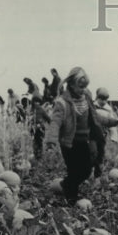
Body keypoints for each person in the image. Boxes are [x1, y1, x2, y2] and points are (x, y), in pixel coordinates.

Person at [46, 66, 106, 203]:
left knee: (85, 170)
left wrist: (112, 121)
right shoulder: (62, 102)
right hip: (68, 143)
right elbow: (55, 122)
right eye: (80, 86)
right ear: (71, 85)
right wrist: (51, 140)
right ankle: (71, 197)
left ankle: (65, 185)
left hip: (83, 141)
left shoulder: (87, 98)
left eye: (85, 86)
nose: (83, 89)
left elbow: (95, 117)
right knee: (74, 170)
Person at [30, 95, 52, 160]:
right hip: (33, 129)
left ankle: (40, 156)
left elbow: (48, 118)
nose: (37, 103)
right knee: (34, 142)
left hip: (40, 129)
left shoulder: (41, 109)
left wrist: (53, 126)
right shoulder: (31, 109)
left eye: (38, 102)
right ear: (33, 102)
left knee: (39, 142)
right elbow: (28, 119)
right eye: (35, 102)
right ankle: (35, 155)